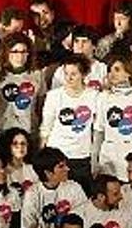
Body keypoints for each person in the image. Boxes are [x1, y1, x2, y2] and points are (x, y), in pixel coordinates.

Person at [40, 55, 99, 188]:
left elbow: (96, 128)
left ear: (83, 75)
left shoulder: (94, 96)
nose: (69, 78)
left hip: (82, 156)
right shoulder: (54, 96)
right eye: (66, 73)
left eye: (73, 74)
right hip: (57, 154)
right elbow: (46, 127)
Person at [95, 55, 132, 181]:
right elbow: (99, 131)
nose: (112, 74)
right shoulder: (103, 97)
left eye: (117, 70)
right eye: (110, 70)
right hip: (110, 156)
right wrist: (94, 161)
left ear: (128, 73)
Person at [20, 147, 88, 228]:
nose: (67, 169)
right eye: (61, 166)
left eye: (65, 165)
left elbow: (83, 220)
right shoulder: (32, 194)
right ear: (48, 173)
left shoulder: (74, 187)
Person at [0, 33, 42, 137]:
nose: (20, 56)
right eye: (15, 51)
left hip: (29, 132)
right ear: (6, 53)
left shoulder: (37, 75)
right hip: (3, 132)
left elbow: (41, 105)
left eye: (23, 51)